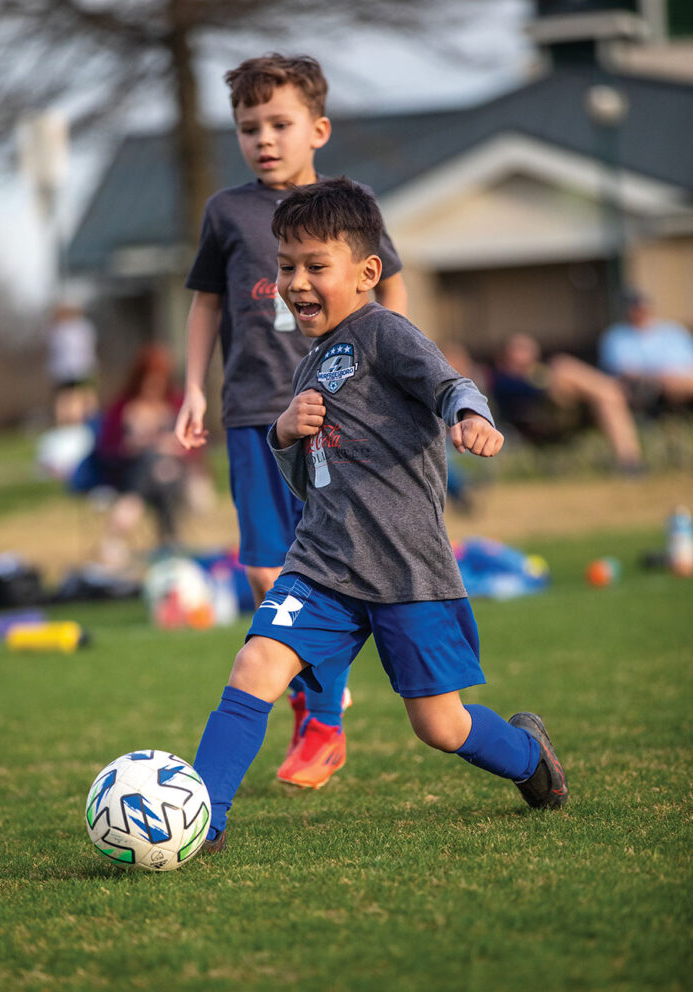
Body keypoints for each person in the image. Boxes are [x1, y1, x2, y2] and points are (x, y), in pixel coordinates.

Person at [192, 177, 569, 853]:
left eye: (314, 267)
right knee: (255, 666)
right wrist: (283, 433)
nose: (296, 282)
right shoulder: (311, 364)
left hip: (405, 567)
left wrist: (470, 415)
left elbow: (450, 383)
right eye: (285, 267)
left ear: (367, 272)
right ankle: (203, 821)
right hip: (322, 566)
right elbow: (311, 481)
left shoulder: (386, 333)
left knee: (439, 727)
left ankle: (528, 754)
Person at [175, 54, 408, 789]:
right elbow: (206, 302)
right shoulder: (225, 212)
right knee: (262, 570)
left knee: (327, 567)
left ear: (319, 129)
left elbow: (390, 285)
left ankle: (323, 719)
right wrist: (192, 389)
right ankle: (320, 700)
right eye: (249, 127)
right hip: (255, 415)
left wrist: (392, 372)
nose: (264, 139)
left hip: (338, 418)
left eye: (280, 124)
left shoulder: (351, 203)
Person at [492, 332, 643, 472]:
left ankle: (629, 461)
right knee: (563, 367)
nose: (527, 352)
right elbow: (534, 390)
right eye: (520, 348)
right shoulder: (504, 379)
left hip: (568, 413)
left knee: (606, 402)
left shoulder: (537, 372)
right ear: (506, 354)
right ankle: (614, 388)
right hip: (543, 422)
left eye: (529, 347)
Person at [95, 345, 189, 569]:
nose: (154, 387)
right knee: (151, 462)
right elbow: (106, 449)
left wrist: (172, 445)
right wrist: (130, 446)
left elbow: (193, 445)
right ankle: (170, 543)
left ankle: (118, 531)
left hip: (174, 473)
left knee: (159, 465)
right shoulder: (122, 407)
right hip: (131, 473)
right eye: (149, 380)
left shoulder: (176, 403)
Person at [599, 289, 693, 413]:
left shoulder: (672, 330)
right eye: (635, 307)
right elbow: (625, 371)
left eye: (643, 306)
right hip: (647, 387)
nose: (640, 311)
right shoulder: (616, 336)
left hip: (683, 378)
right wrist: (661, 376)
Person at [47, 302, 98, 426]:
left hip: (66, 370)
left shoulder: (56, 329)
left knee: (71, 398)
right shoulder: (81, 327)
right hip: (78, 368)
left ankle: (75, 423)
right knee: (78, 397)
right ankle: (79, 422)